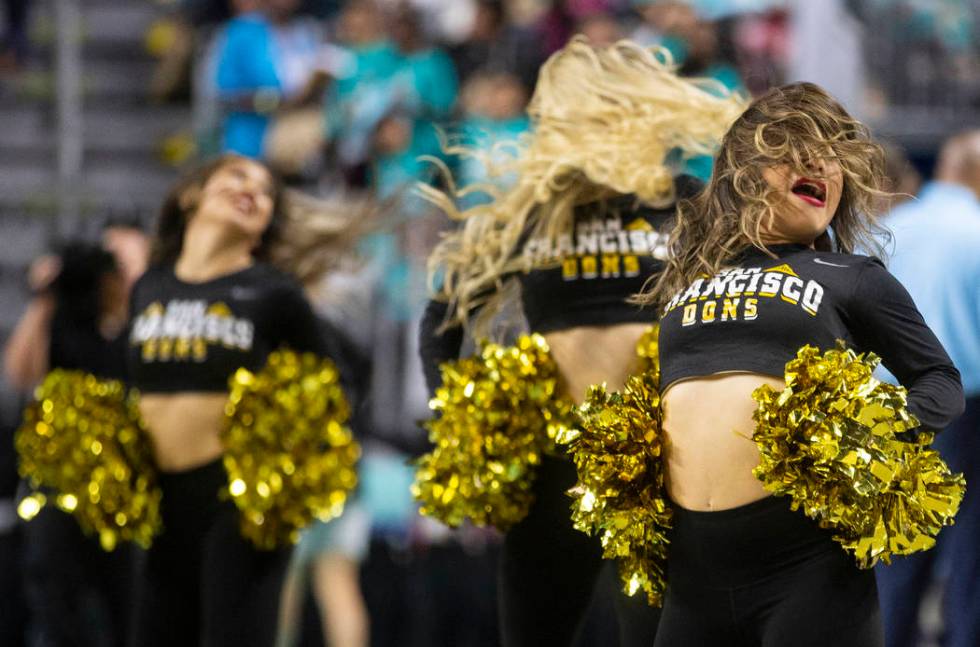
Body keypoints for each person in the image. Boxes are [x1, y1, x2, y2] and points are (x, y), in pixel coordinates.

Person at [418, 38, 744, 647]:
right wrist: (457, 420)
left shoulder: (684, 202)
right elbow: (442, 320)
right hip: (550, 465)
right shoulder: (530, 211)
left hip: (657, 462)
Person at [639, 82, 964, 647]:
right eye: (794, 148)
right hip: (694, 573)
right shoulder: (690, 281)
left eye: (834, 155)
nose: (822, 165)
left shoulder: (851, 277)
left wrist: (870, 436)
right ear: (744, 173)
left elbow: (940, 381)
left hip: (804, 564)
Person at [125, 153, 360, 647]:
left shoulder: (274, 292)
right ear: (192, 196)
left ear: (265, 225)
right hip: (160, 503)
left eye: (267, 191)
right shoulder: (150, 286)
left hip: (236, 503)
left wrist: (289, 451)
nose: (254, 190)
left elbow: (337, 385)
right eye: (237, 176)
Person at [874, 130, 980, 647]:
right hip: (965, 410)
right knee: (969, 546)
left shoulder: (890, 228)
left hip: (887, 405)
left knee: (896, 542)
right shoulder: (977, 230)